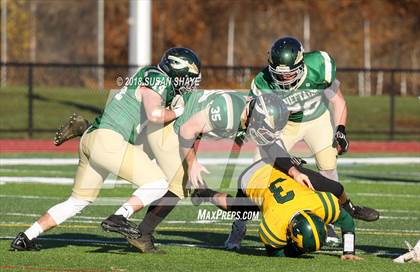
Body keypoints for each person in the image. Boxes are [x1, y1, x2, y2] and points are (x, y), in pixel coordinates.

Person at [10, 47, 201, 251]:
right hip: (107, 140)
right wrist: (178, 111)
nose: (190, 83)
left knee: (77, 201)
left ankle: (26, 236)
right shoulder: (158, 79)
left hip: (92, 138)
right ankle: (120, 216)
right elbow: (155, 114)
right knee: (159, 183)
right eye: (189, 77)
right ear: (176, 70)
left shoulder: (150, 76)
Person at [226, 36, 350, 248]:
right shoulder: (263, 82)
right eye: (279, 75)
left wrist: (340, 130)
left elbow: (338, 101)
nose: (284, 80)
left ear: (301, 65)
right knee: (256, 171)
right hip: (284, 126)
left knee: (328, 167)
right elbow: (250, 114)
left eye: (290, 74)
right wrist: (243, 129)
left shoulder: (320, 65)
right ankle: (239, 226)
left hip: (316, 119)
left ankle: (327, 222)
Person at [192, 159, 377, 260]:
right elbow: (274, 252)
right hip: (251, 177)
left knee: (336, 188)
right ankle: (205, 192)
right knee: (237, 209)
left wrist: (348, 252)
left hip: (282, 168)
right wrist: (298, 251)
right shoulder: (275, 222)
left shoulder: (318, 203)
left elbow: (346, 220)